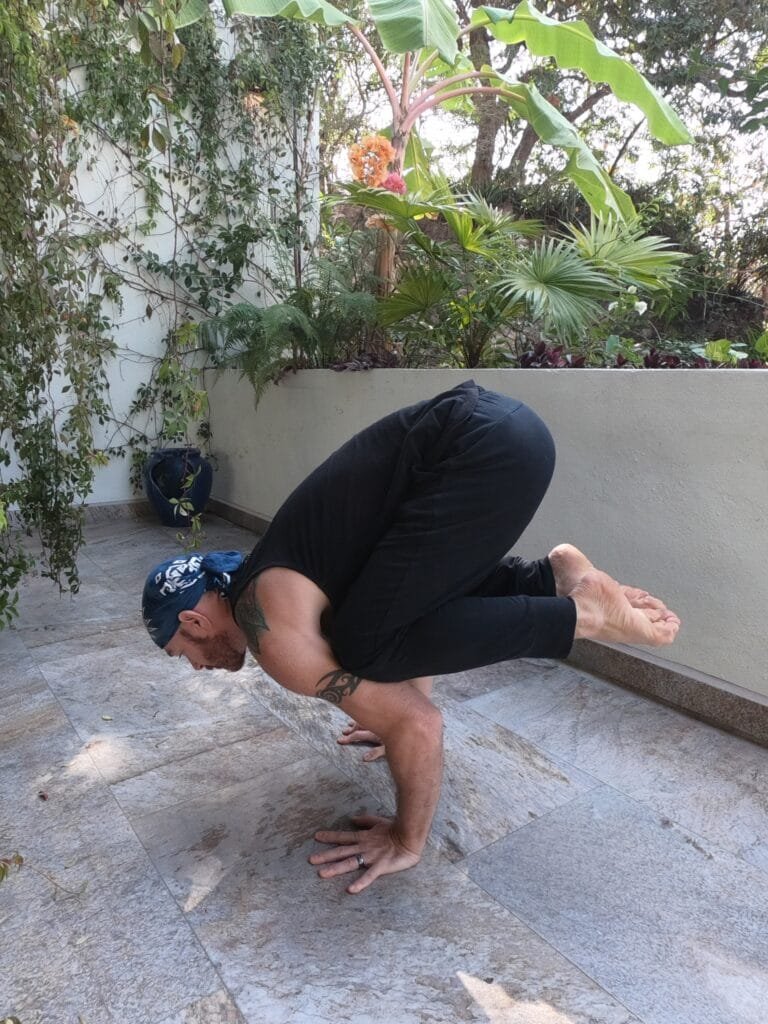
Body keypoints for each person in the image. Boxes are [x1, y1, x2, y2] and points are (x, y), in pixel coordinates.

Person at [142, 380, 680, 894]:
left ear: (193, 622)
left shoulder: (273, 636)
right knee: (368, 628)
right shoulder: (274, 575)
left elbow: (419, 724)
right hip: (503, 436)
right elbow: (405, 610)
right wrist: (388, 714)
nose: (194, 665)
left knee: (362, 646)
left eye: (182, 652)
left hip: (479, 453)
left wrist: (405, 833)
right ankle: (551, 577)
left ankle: (580, 614)